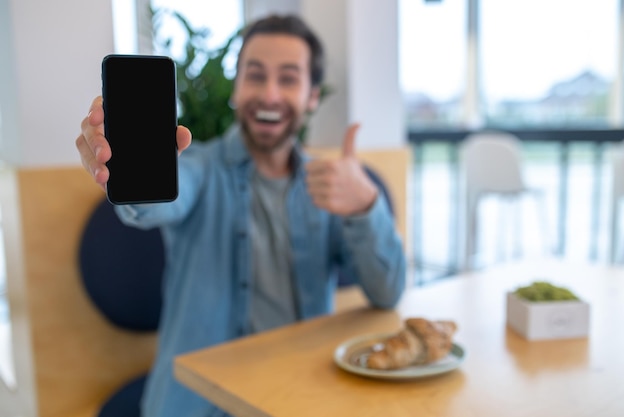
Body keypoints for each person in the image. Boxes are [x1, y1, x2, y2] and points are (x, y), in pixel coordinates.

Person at [76, 14, 406, 417]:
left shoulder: (331, 185)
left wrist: (366, 206)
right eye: (255, 75)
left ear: (312, 95)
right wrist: (121, 166)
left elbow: (387, 292)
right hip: (195, 406)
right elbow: (153, 203)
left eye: (288, 78)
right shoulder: (197, 168)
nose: (269, 94)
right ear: (237, 87)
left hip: (302, 399)